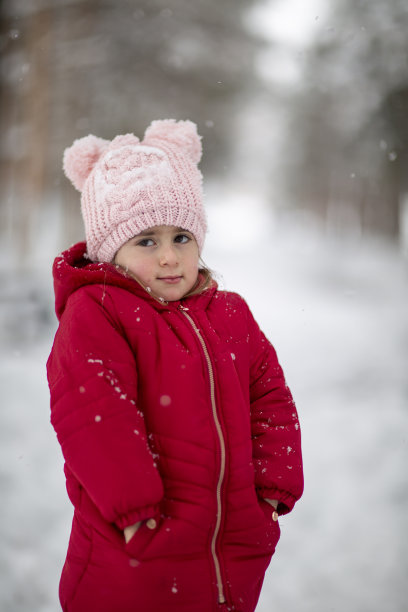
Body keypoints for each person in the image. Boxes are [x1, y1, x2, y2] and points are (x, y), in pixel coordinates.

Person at [47, 119, 303, 612]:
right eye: (146, 241)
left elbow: (271, 396)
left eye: (181, 237)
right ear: (110, 248)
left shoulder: (230, 312)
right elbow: (94, 414)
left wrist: (272, 489)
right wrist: (133, 510)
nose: (169, 258)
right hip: (136, 551)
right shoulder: (97, 312)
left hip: (231, 546)